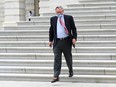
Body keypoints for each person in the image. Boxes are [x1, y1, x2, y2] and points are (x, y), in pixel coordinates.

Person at [49, 6, 77, 83]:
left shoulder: (69, 18)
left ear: (63, 11)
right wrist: (50, 40)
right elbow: (51, 30)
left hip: (67, 41)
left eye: (60, 12)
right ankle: (56, 76)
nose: (59, 13)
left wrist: (74, 38)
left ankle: (70, 70)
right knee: (57, 59)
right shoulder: (53, 19)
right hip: (57, 42)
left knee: (68, 58)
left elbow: (74, 28)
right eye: (57, 12)